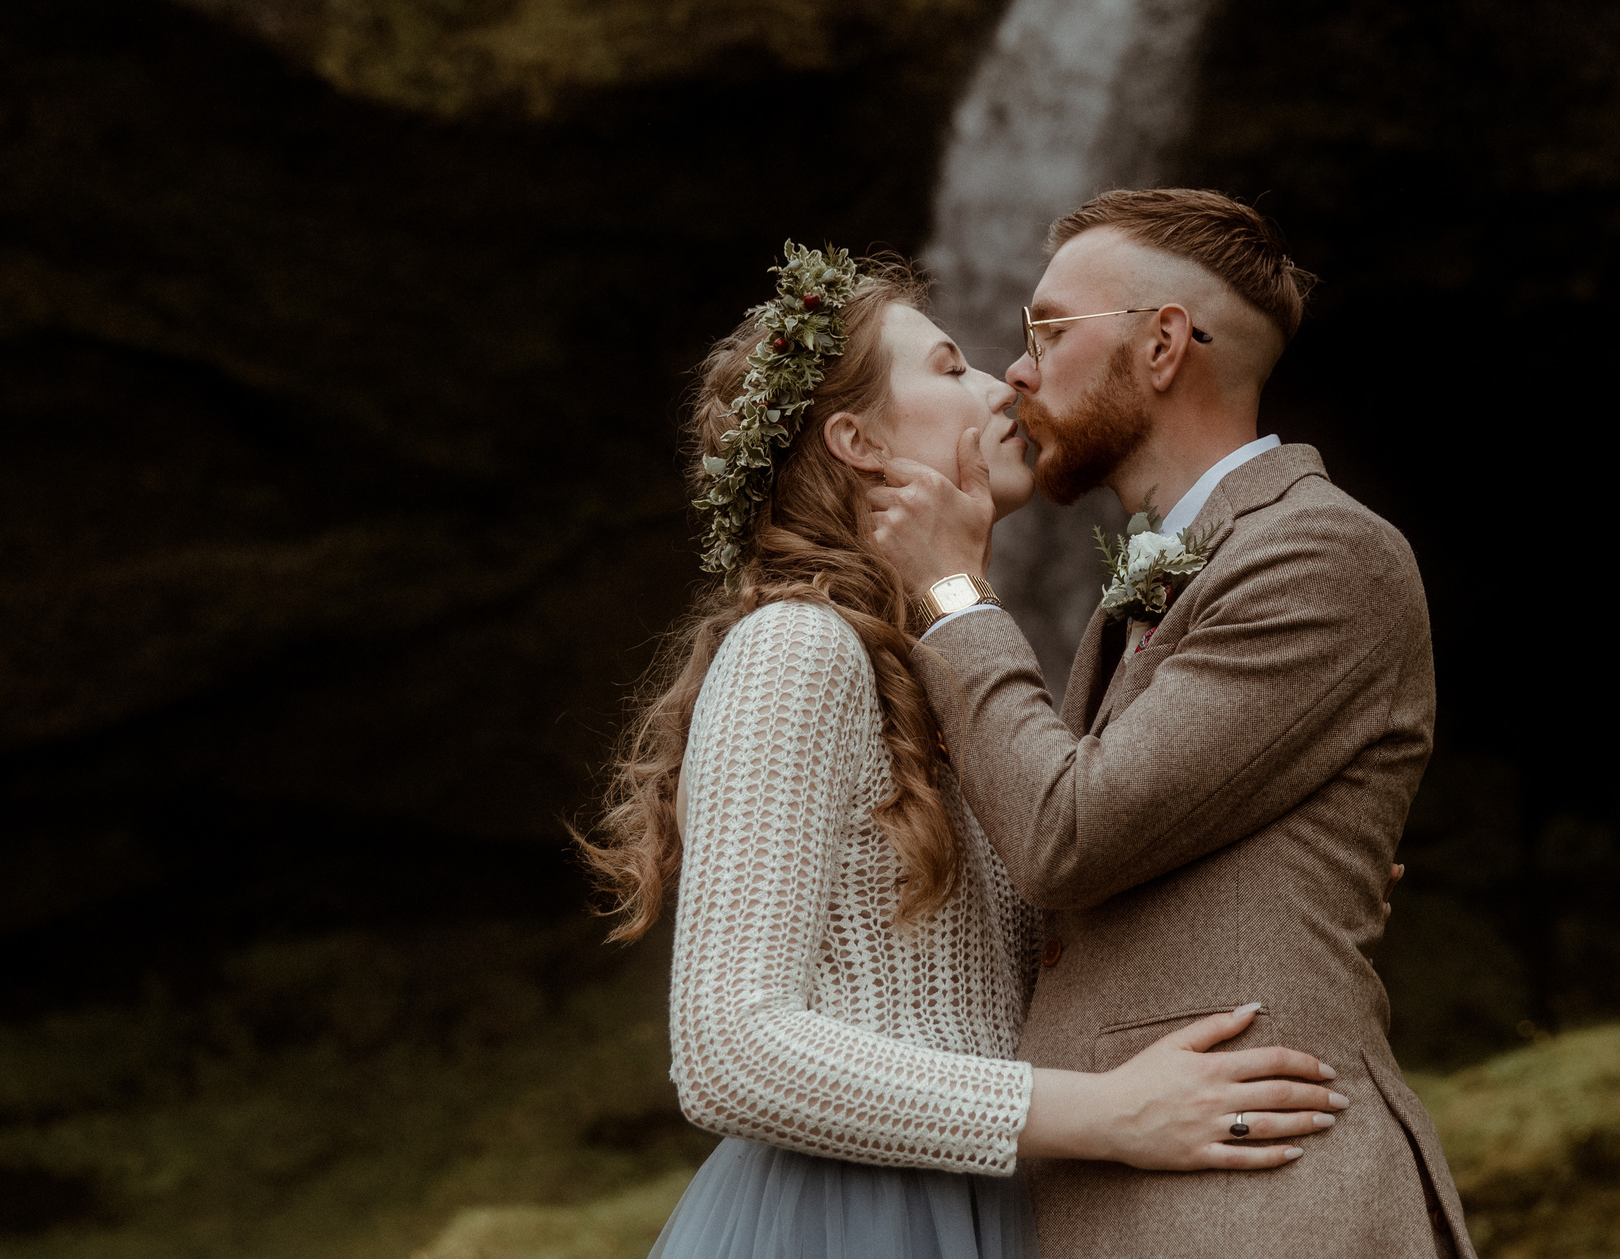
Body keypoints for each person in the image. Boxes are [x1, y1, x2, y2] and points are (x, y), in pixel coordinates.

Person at [581, 244, 1351, 1259]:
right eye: (952, 369)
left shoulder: (939, 662)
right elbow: (729, 1053)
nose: (1006, 386)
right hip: (849, 1224)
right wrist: (1106, 1114)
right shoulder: (799, 647)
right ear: (857, 439)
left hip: (983, 1207)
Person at [865, 191, 1475, 1259]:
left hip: (1260, 1202)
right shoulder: (1151, 583)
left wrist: (954, 595)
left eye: (1048, 332)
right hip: (1141, 1189)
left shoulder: (1321, 553)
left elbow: (1067, 835)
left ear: (1159, 346)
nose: (1015, 373)